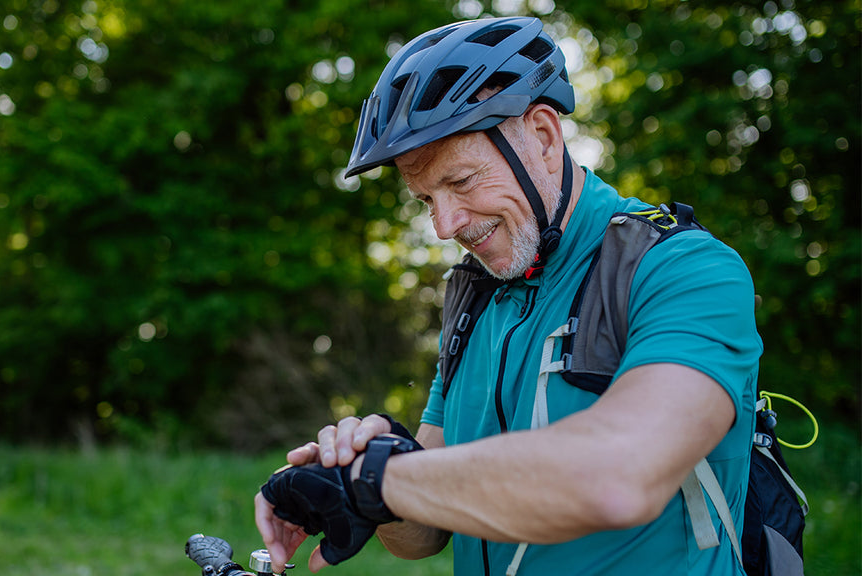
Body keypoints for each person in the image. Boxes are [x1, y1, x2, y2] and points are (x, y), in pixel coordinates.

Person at [255, 16, 762, 576]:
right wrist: (364, 476)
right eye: (425, 199)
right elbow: (422, 537)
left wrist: (380, 477)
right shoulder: (475, 296)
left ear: (543, 138)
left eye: (462, 181)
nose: (445, 225)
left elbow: (622, 476)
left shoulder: (682, 270)